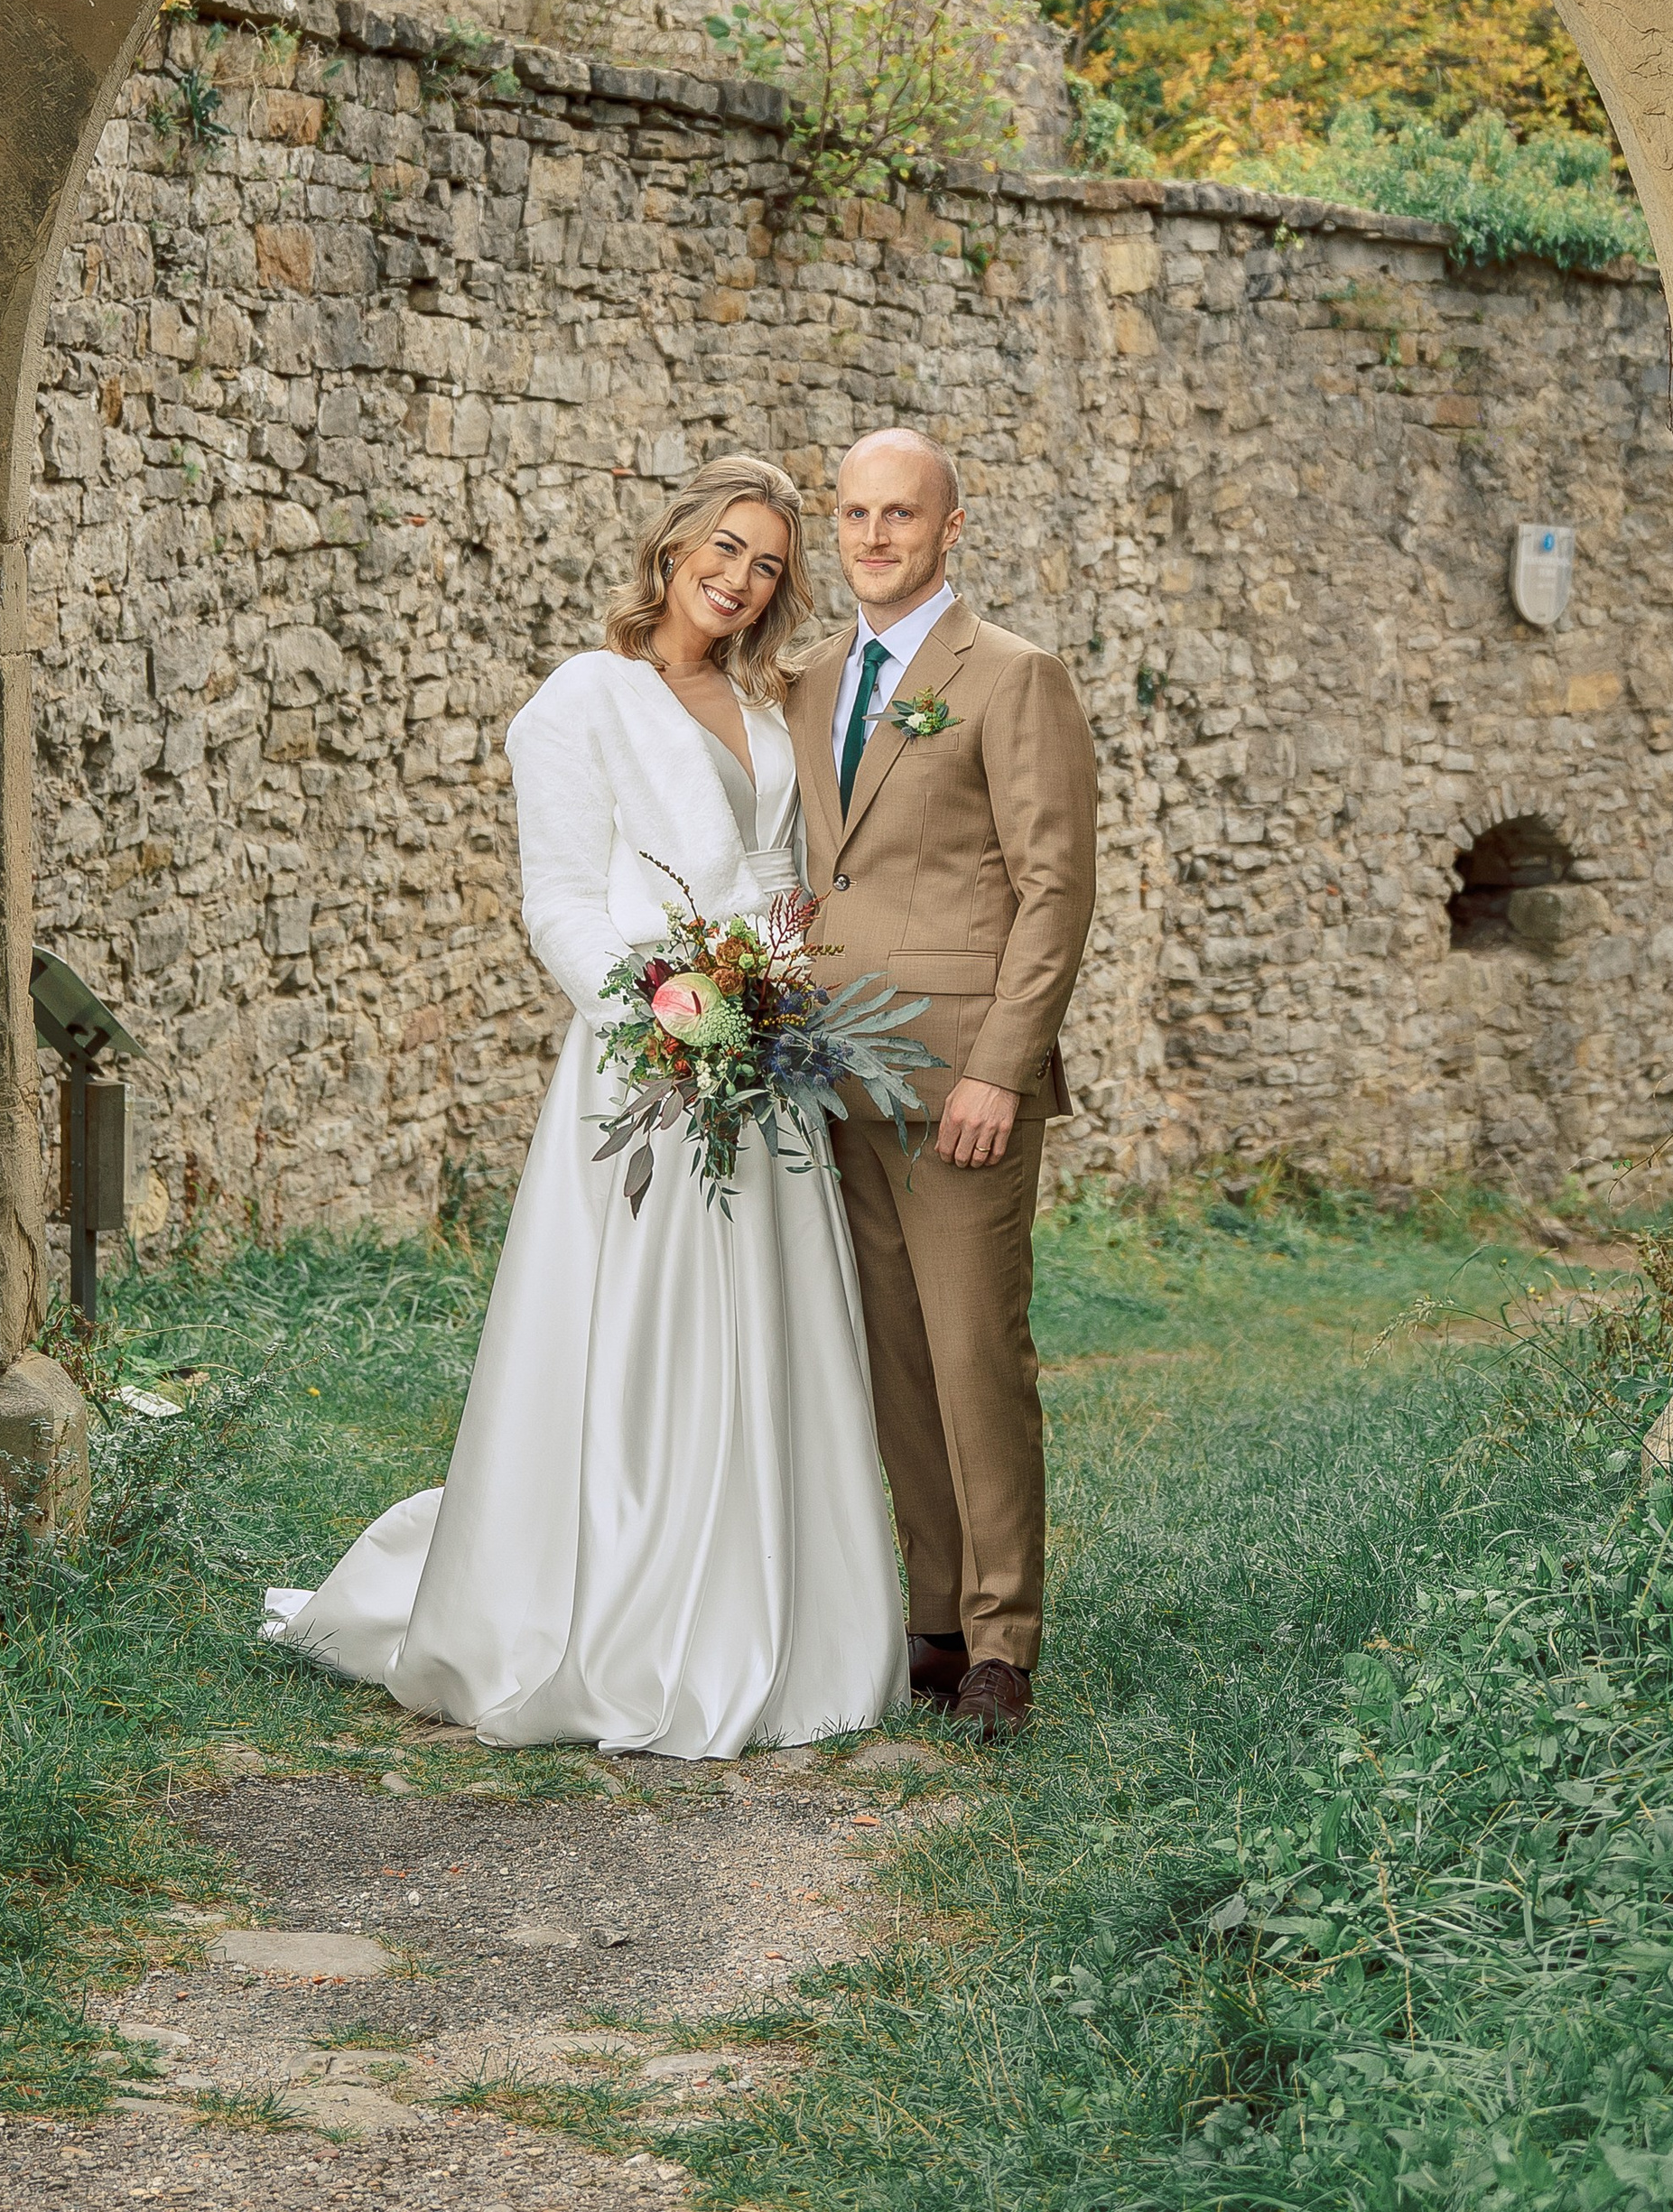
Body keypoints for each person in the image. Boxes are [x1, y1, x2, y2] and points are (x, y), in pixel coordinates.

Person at [263, 456, 908, 1758]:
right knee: (639, 1332)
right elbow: (557, 895)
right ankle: (610, 1610)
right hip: (646, 1063)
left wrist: (770, 999)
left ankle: (770, 1610)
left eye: (769, 563)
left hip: (758, 1063)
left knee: (766, 1329)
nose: (738, 577)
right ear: (672, 549)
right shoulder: (582, 701)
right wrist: (661, 1014)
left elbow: (781, 877)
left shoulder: (762, 705)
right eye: (722, 548)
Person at [787, 430, 1099, 1743]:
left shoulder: (1014, 677)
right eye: (854, 513)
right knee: (892, 1359)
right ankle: (932, 1616)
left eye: (899, 513)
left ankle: (1004, 1639)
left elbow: (1054, 889)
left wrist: (999, 1068)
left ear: (951, 526)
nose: (873, 536)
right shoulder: (806, 684)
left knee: (975, 1354)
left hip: (960, 1077)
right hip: (831, 1069)